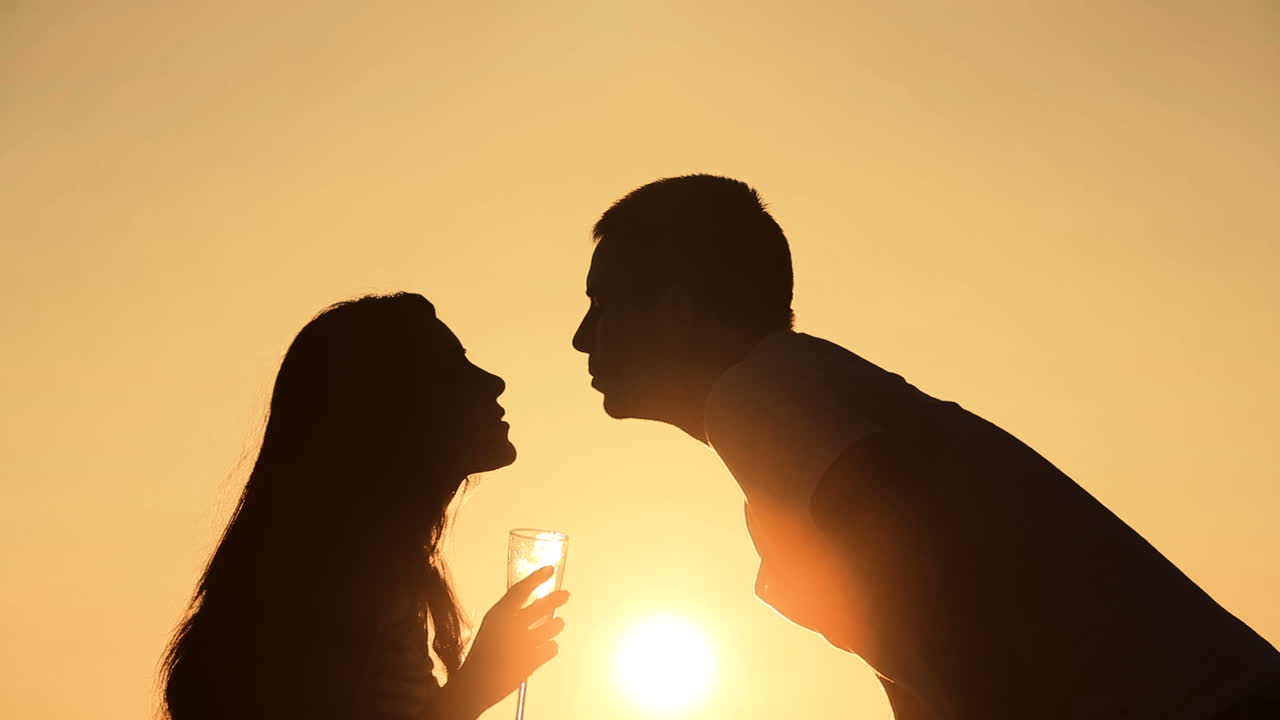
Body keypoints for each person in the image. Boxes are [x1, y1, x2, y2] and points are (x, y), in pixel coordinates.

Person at [571, 174, 1280, 719]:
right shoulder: (795, 409)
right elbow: (919, 654)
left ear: (676, 314)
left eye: (602, 306)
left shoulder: (759, 391)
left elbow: (928, 578)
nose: (581, 337)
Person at [161, 292, 568, 720]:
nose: (492, 381)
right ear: (391, 410)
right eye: (452, 371)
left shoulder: (360, 575)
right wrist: (474, 686)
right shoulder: (328, 585)